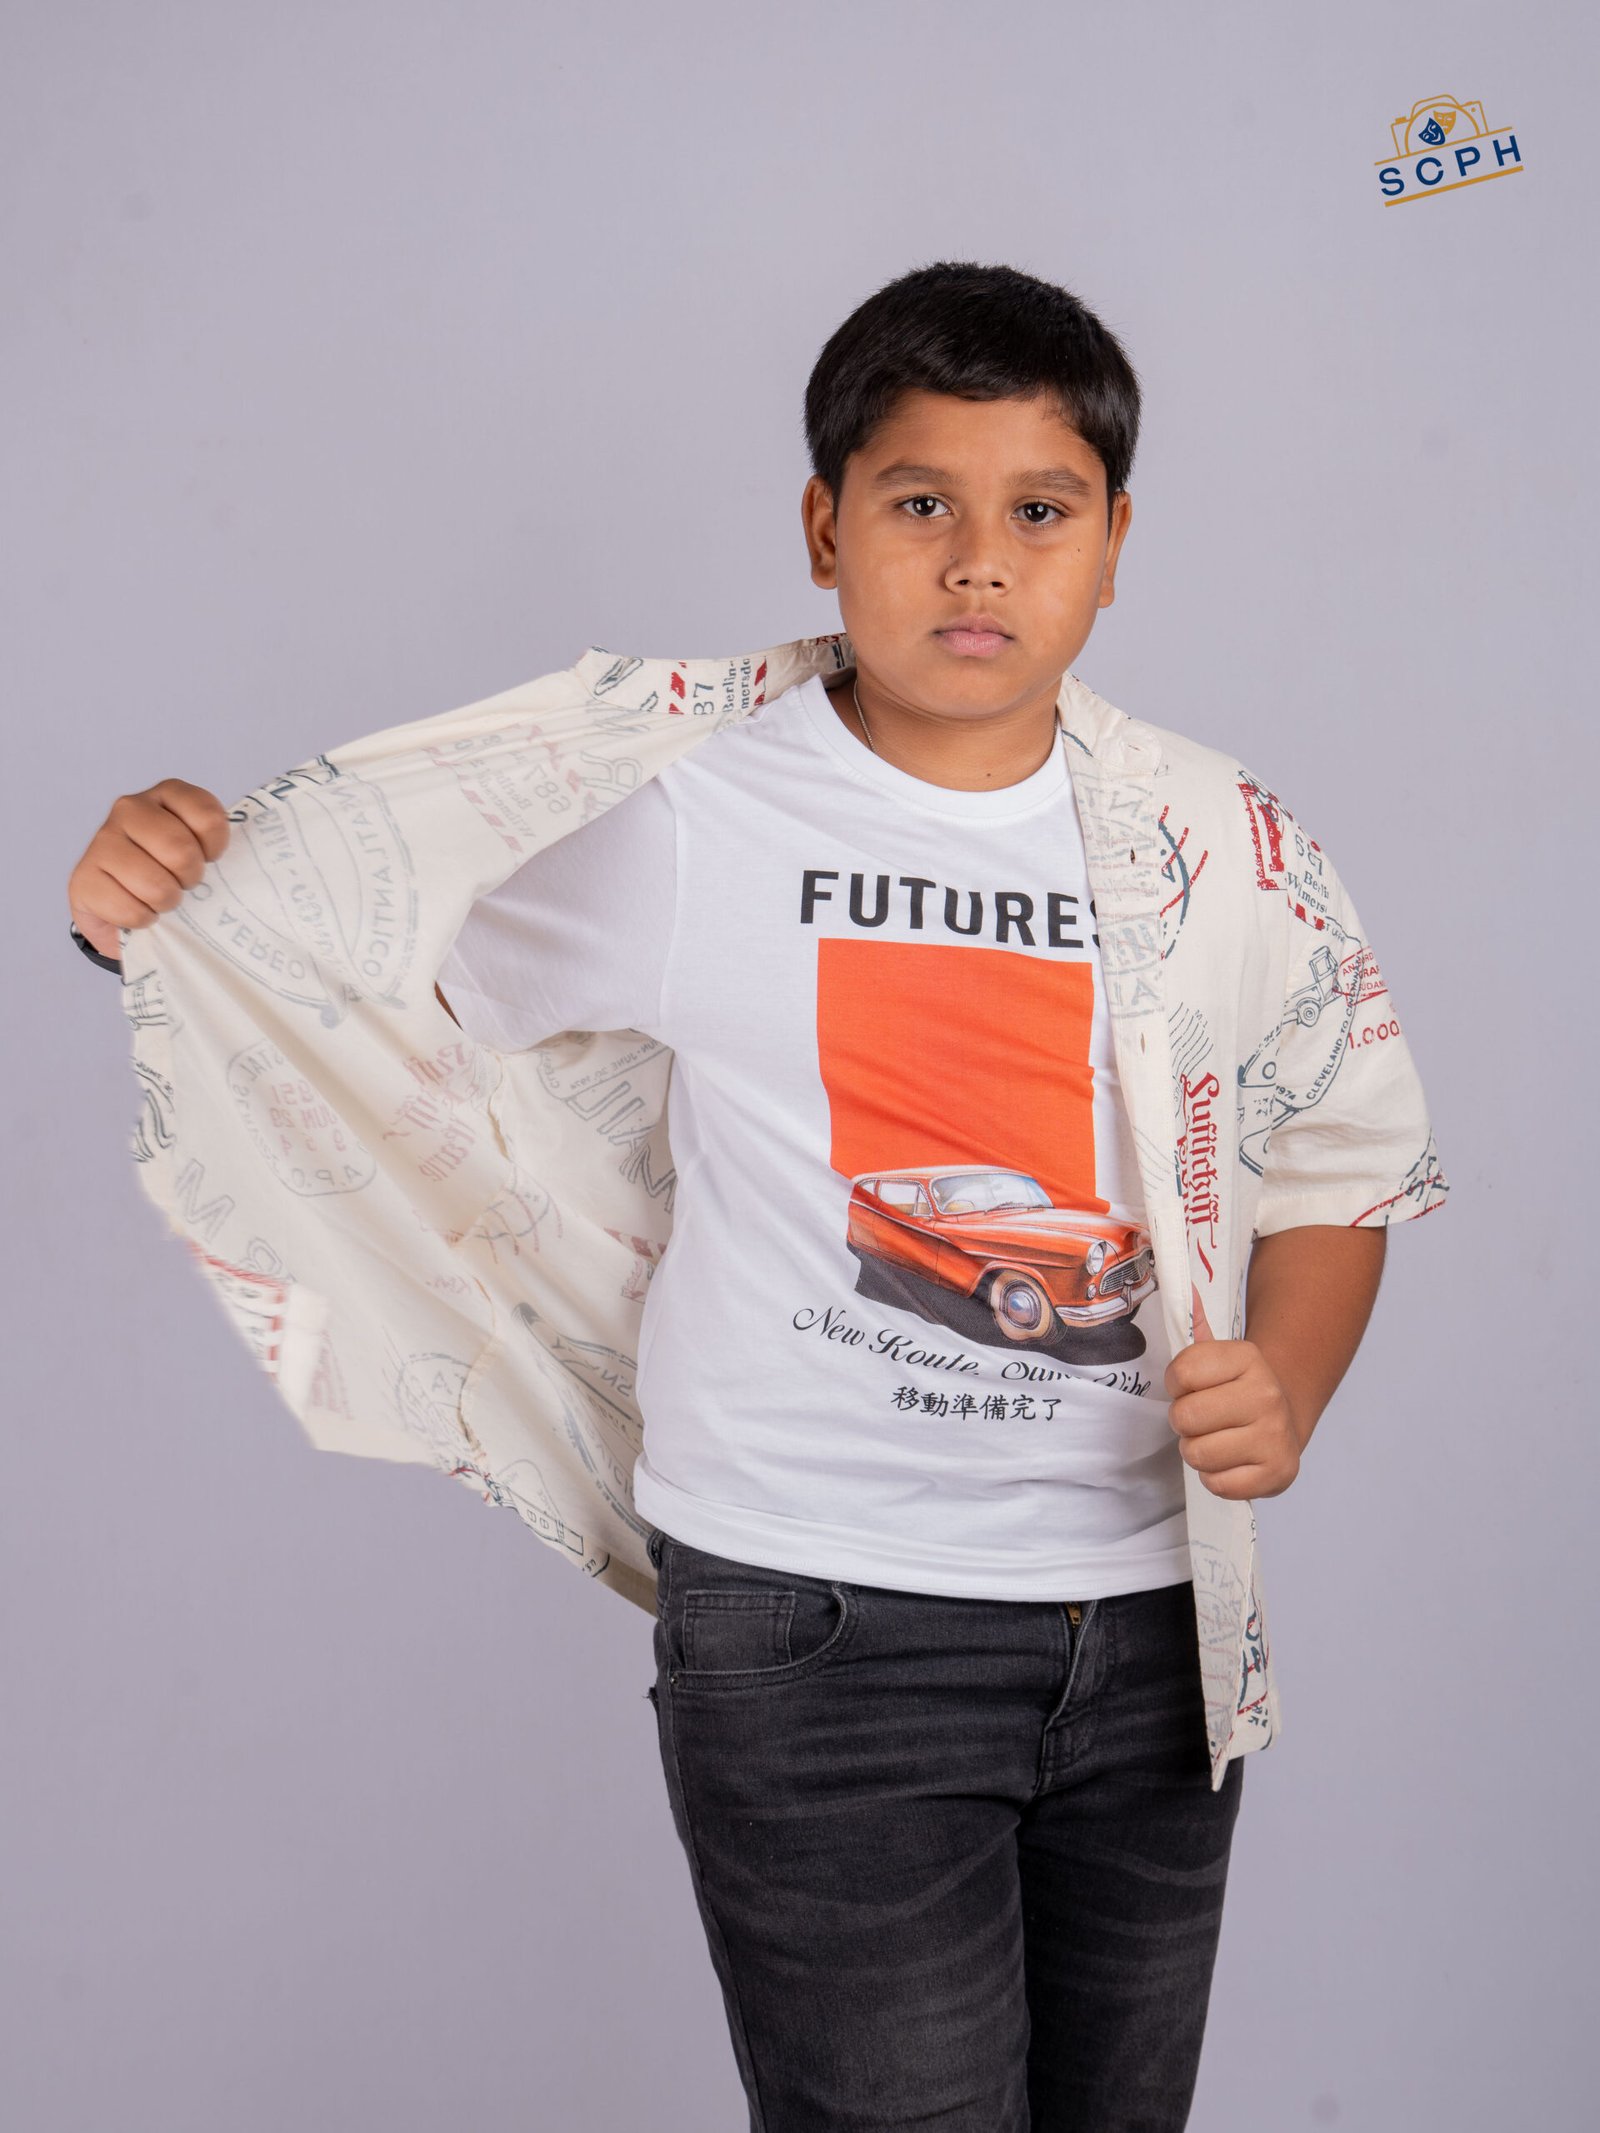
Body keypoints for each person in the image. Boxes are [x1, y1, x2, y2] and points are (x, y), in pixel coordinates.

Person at [66, 261, 1448, 2132]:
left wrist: (1289, 1377)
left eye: (1041, 511)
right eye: (920, 502)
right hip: (819, 1629)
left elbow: (1341, 1149)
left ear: (1116, 545)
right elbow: (356, 974)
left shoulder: (1224, 842)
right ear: (824, 529)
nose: (980, 560)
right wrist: (161, 907)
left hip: (1149, 1632)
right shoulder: (692, 807)